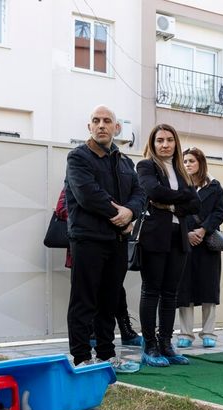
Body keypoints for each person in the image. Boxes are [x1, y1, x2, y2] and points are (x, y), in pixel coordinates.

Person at [65, 105, 144, 372]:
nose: (101, 125)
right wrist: (120, 215)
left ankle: (107, 355)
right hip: (87, 239)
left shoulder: (124, 162)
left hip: (117, 242)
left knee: (109, 301)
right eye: (96, 121)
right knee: (84, 300)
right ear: (89, 127)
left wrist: (131, 211)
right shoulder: (78, 158)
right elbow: (88, 194)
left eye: (107, 121)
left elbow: (139, 193)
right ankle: (81, 358)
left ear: (116, 128)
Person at [136, 124, 201, 367]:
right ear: (152, 144)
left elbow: (196, 204)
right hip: (154, 236)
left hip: (178, 236)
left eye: (170, 140)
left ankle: (166, 344)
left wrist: (169, 204)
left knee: (171, 293)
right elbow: (152, 190)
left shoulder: (181, 170)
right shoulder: (145, 166)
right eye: (160, 140)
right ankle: (150, 345)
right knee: (151, 290)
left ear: (176, 143)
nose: (165, 144)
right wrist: (180, 200)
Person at [55, 188, 144, 349]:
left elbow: (135, 200)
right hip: (86, 244)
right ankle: (88, 338)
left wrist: (124, 215)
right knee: (87, 294)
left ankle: (125, 332)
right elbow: (61, 209)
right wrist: (97, 215)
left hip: (113, 242)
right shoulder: (76, 183)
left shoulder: (115, 182)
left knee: (115, 292)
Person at [176, 147, 223, 349]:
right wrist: (186, 234)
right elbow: (176, 213)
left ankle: (209, 333)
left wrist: (203, 230)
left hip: (207, 245)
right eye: (185, 161)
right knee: (184, 290)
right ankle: (186, 334)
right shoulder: (178, 186)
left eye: (191, 161)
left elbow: (219, 213)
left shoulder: (214, 186)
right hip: (184, 243)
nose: (187, 164)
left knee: (208, 289)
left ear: (200, 163)